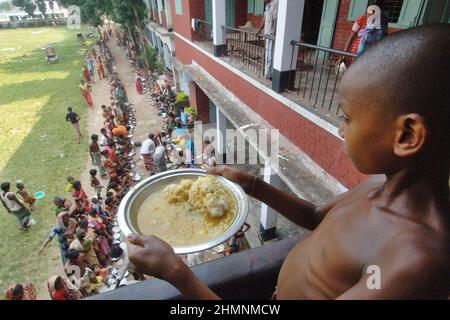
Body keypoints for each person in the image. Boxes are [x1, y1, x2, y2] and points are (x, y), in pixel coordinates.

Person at [127, 25, 450, 299]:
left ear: (406, 135)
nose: (340, 128)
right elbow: (315, 216)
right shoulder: (378, 185)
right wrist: (253, 185)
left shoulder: (412, 262)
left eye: (348, 118)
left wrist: (177, 274)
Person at [257, 0, 278, 80]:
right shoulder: (267, 5)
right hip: (267, 34)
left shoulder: (276, 3)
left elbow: (276, 20)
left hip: (272, 35)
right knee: (267, 55)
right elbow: (265, 18)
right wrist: (259, 30)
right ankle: (267, 74)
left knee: (271, 56)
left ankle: (271, 75)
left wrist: (275, 34)